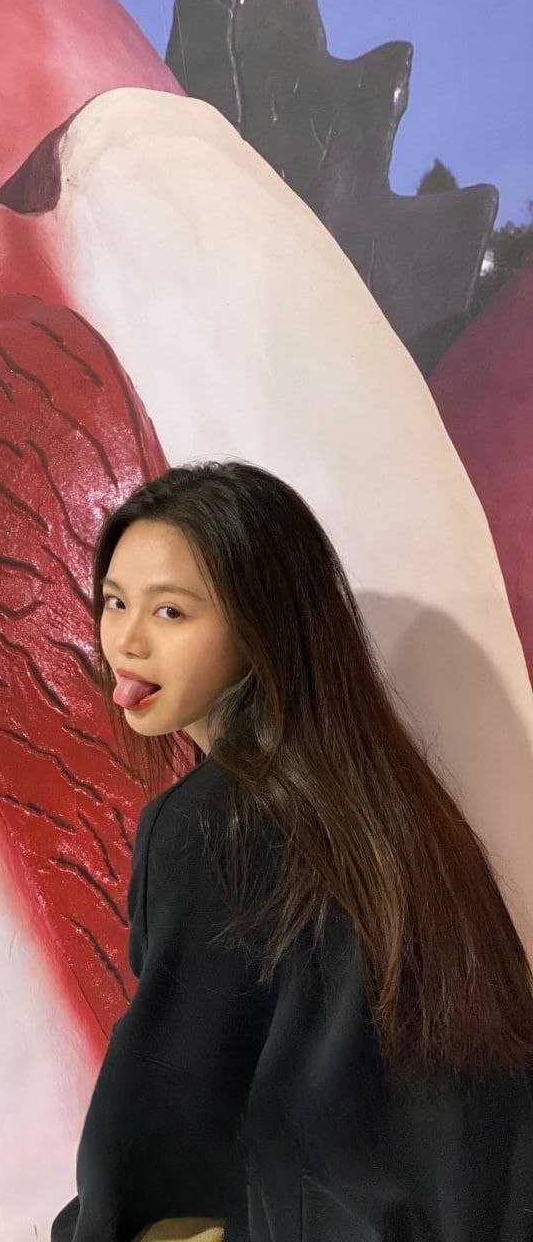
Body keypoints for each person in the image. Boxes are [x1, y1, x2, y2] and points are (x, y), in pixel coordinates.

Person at [50, 460, 533, 1242]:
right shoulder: (393, 799)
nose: (127, 641)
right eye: (114, 601)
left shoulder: (209, 821)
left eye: (171, 612)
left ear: (261, 626)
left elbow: (158, 1120)